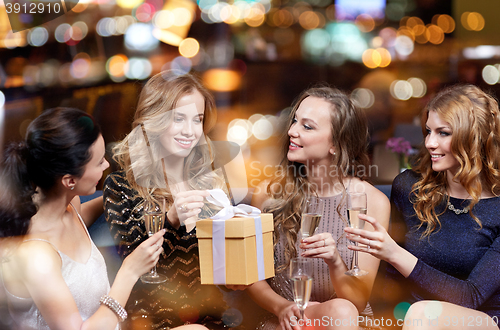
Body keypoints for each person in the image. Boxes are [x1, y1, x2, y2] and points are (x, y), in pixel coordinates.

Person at [0, 107, 185, 330]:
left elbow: (81, 219)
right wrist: (130, 271)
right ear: (70, 181)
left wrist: (131, 190)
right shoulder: (36, 257)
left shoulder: (69, 207)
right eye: (99, 162)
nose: (107, 165)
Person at [345, 84, 500, 330]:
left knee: (423, 313)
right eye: (428, 131)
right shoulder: (409, 187)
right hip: (413, 319)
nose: (429, 142)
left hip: (481, 320)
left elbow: (471, 296)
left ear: (473, 137)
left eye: (443, 133)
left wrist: (394, 253)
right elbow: (390, 278)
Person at [248, 86, 390, 330]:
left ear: (336, 143)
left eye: (307, 126)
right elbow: (252, 278)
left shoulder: (371, 202)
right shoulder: (268, 194)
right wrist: (281, 307)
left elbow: (356, 300)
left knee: (342, 311)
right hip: (285, 321)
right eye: (294, 121)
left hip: (345, 322)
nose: (292, 131)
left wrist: (334, 260)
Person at [104, 71, 231, 330]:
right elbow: (132, 259)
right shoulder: (121, 185)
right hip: (150, 321)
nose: (190, 131)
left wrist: (236, 276)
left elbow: (221, 269)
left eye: (198, 120)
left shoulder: (210, 182)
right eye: (178, 118)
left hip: (210, 320)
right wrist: (169, 221)